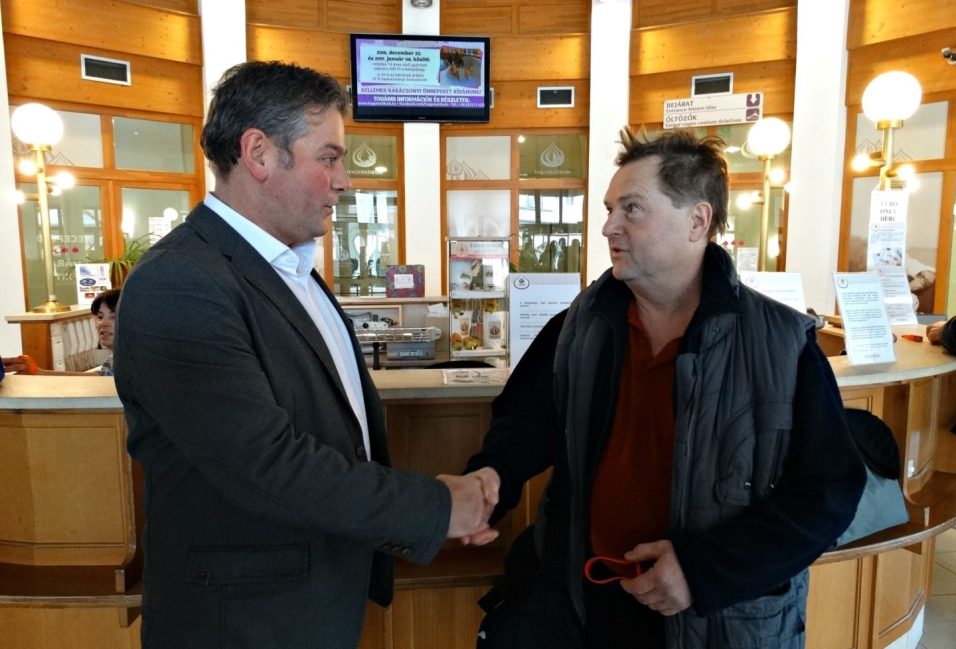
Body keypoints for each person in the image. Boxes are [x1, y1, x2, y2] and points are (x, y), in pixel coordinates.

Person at [113, 61, 497, 649]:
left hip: (309, 604)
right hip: (239, 623)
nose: (345, 181)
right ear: (259, 154)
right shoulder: (180, 282)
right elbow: (266, 465)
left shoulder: (288, 268)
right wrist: (437, 508)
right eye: (329, 157)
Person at [464, 128, 866, 649]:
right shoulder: (581, 325)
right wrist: (491, 477)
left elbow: (828, 494)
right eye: (610, 209)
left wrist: (702, 569)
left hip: (711, 617)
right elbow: (527, 421)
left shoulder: (781, 344)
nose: (608, 226)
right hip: (584, 598)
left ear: (697, 221)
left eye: (632, 209)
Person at [2, 288, 120, 376]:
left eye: (114, 317)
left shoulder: (128, 361)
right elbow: (99, 377)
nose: (103, 323)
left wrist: (38, 372)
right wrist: (37, 372)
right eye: (100, 317)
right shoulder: (113, 360)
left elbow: (100, 380)